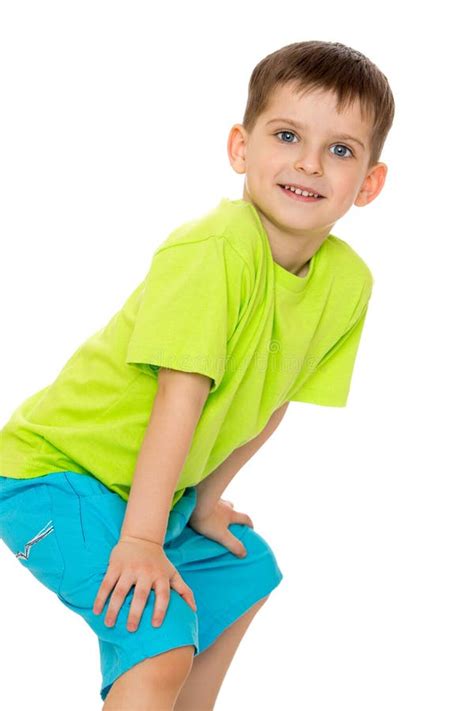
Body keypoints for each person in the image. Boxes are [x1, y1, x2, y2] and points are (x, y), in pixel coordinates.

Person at [0, 39, 395, 710]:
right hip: (53, 472)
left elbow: (271, 403)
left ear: (370, 183)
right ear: (241, 148)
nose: (309, 162)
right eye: (287, 135)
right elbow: (176, 401)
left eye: (340, 149)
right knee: (157, 641)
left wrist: (207, 500)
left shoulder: (346, 283)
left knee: (243, 571)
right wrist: (143, 540)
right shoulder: (217, 247)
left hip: (150, 490)